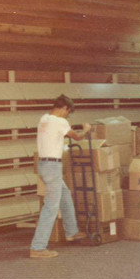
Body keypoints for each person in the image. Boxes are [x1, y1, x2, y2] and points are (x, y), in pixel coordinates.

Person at [30, 94, 92, 259]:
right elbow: (77, 136)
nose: (67, 116)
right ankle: (38, 247)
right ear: (65, 108)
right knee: (51, 207)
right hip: (52, 166)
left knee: (65, 195)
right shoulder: (60, 122)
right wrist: (86, 129)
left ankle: (72, 232)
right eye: (68, 112)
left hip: (43, 164)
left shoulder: (44, 118)